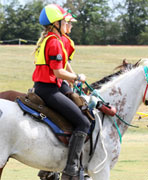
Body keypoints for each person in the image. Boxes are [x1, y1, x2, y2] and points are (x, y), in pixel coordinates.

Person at [32, 4, 90, 180]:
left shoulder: (51, 39)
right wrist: (77, 77)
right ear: (56, 23)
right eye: (64, 21)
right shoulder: (55, 42)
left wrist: (72, 79)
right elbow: (58, 72)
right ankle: (71, 168)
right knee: (83, 123)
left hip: (53, 85)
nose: (68, 24)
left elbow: (63, 67)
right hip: (48, 88)